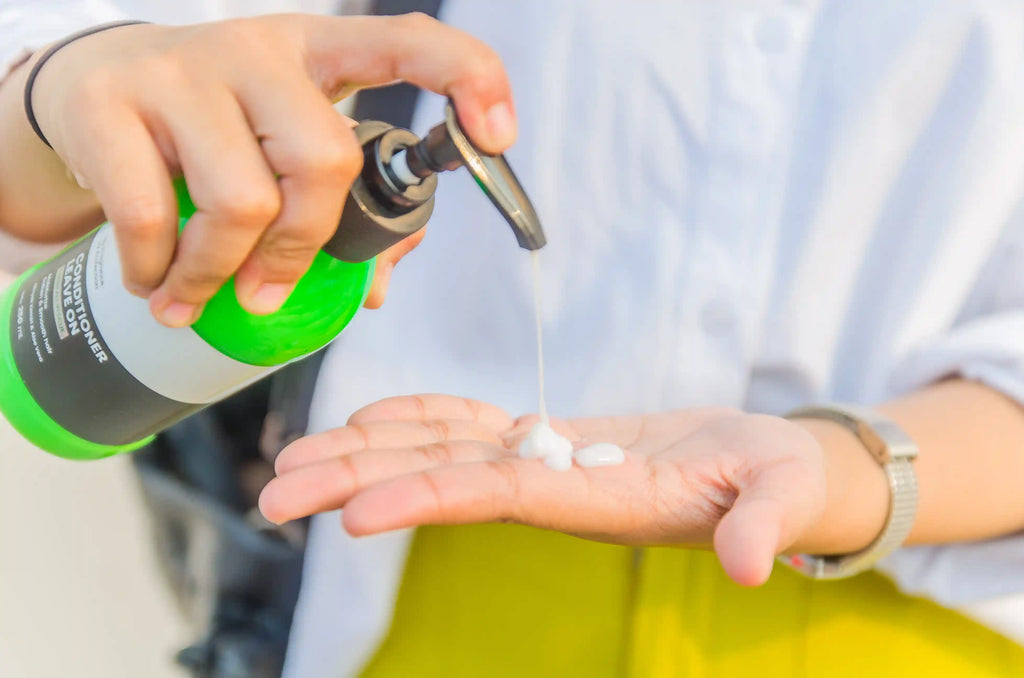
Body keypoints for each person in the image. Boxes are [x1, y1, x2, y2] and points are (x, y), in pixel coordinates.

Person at [6, 2, 1024, 677]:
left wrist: (841, 468)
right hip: (425, 585)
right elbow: (42, 149)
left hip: (920, 617)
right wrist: (73, 83)